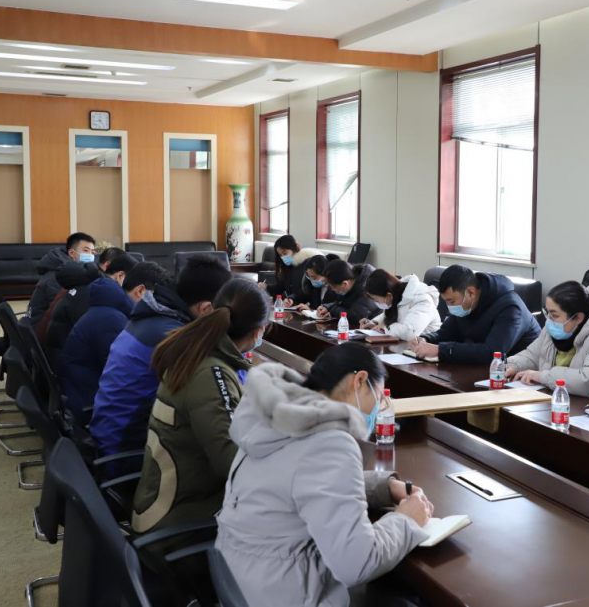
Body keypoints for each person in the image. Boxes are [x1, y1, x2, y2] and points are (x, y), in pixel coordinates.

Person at [216, 343, 434, 606]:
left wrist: (382, 487)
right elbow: (357, 563)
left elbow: (296, 480)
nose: (377, 409)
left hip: (243, 579)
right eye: (378, 398)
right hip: (287, 592)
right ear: (359, 380)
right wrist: (406, 520)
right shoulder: (330, 441)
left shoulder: (278, 418)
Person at [132, 278, 270, 542]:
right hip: (178, 524)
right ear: (258, 331)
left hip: (182, 503)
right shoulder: (211, 373)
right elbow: (234, 464)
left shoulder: (198, 350)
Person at [89, 256, 233, 457]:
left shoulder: (153, 314)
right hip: (126, 448)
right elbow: (207, 392)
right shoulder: (171, 335)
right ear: (206, 309)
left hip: (110, 433)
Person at [57, 261, 170, 425]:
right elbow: (123, 375)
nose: (159, 304)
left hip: (83, 393)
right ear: (140, 291)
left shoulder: (109, 312)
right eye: (157, 297)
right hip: (91, 407)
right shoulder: (111, 320)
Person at [505, 279, 589, 396]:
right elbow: (532, 355)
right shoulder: (556, 328)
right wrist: (513, 366)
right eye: (548, 313)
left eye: (555, 315)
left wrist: (541, 376)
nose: (549, 320)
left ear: (578, 317)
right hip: (569, 401)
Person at [409, 265, 541, 365]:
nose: (449, 306)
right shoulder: (466, 304)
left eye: (451, 301)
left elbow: (492, 353)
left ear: (470, 293)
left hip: (518, 373)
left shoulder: (511, 308)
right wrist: (425, 339)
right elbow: (445, 334)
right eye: (446, 301)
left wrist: (440, 350)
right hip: (481, 368)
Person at [43, 254, 137, 355]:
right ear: (120, 276)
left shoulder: (90, 287)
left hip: (61, 354)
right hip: (66, 359)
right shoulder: (96, 294)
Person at [23, 232, 95, 327]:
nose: (90, 256)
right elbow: (61, 309)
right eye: (86, 250)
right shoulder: (58, 276)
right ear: (71, 253)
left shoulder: (70, 272)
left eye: (92, 252)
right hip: (40, 328)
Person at [360, 270, 442, 341]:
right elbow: (390, 315)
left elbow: (410, 332)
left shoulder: (422, 299)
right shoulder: (397, 295)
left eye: (376, 300)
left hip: (428, 347)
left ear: (388, 295)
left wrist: (385, 327)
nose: (376, 303)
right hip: (407, 346)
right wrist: (374, 323)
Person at [316, 260, 379, 326]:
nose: (332, 290)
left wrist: (332, 311)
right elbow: (342, 303)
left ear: (344, 284)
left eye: (333, 287)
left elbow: (356, 318)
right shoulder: (352, 282)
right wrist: (327, 307)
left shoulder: (368, 288)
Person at [263, 235, 324, 302]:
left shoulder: (307, 265)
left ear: (294, 248)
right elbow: (281, 287)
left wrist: (292, 299)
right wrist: (266, 287)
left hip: (307, 305)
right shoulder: (287, 266)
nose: (283, 257)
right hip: (293, 304)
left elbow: (306, 291)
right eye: (280, 255)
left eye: (285, 253)